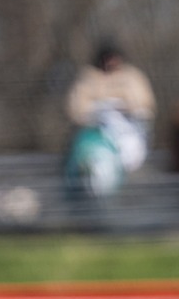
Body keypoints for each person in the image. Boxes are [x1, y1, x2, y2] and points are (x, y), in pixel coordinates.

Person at [64, 39, 155, 197]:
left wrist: (122, 106)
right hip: (94, 135)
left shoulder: (132, 77)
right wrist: (98, 110)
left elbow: (144, 106)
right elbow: (76, 109)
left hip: (129, 134)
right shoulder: (87, 78)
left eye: (114, 58)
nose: (111, 62)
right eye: (107, 58)